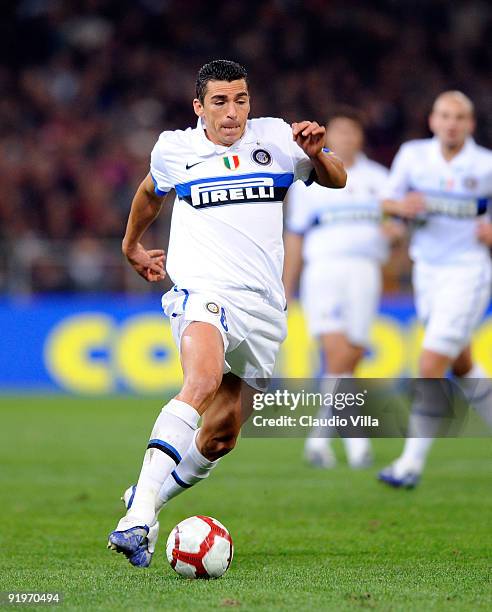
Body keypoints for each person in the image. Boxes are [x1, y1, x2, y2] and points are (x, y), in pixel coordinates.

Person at [107, 59, 346, 566]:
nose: (232, 111)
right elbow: (151, 193)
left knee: (221, 435)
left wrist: (316, 154)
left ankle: (145, 499)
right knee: (202, 379)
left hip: (263, 306)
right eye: (219, 101)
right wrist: (131, 245)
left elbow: (337, 178)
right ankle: (135, 522)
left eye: (240, 99)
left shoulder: (280, 138)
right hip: (203, 290)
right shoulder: (176, 148)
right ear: (199, 107)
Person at [378, 91, 492, 489]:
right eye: (445, 115)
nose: (452, 123)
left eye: (460, 117)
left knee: (430, 364)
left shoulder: (486, 166)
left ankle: (409, 464)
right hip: (426, 273)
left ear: (470, 124)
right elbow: (388, 204)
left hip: (469, 272)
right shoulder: (413, 156)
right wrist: (399, 211)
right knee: (461, 364)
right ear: (433, 120)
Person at [283, 109, 392, 469]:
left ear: (360, 137)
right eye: (339, 132)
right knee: (337, 353)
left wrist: (396, 234)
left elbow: (397, 225)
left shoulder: (380, 178)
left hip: (366, 271)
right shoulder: (310, 181)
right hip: (324, 271)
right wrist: (287, 285)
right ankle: (357, 446)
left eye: (352, 132)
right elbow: (295, 237)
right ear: (329, 139)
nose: (346, 138)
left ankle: (318, 438)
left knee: (351, 356)